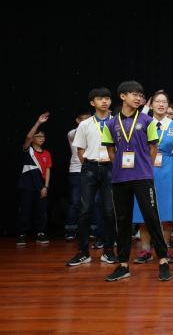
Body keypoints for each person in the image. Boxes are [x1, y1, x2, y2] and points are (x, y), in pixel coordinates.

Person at [100, 81, 171, 282]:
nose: (138, 98)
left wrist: (144, 166)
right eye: (134, 94)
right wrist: (119, 166)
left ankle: (163, 261)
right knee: (122, 220)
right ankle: (123, 265)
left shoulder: (148, 120)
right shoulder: (111, 123)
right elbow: (110, 150)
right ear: (123, 96)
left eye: (140, 95)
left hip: (143, 176)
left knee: (151, 217)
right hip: (120, 177)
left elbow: (153, 148)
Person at [65, 89, 119, 266]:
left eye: (107, 98)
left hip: (110, 167)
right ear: (92, 102)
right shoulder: (85, 124)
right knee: (85, 211)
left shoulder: (116, 121)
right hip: (90, 167)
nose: (104, 101)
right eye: (100, 98)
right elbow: (80, 149)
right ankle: (82, 252)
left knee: (109, 211)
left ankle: (108, 251)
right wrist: (88, 165)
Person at [132, 91, 173, 264]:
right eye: (157, 101)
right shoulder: (142, 123)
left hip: (168, 168)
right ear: (151, 105)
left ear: (168, 105)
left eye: (164, 102)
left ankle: (165, 248)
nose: (161, 105)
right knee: (144, 208)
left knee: (166, 210)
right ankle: (145, 250)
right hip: (145, 167)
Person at [17, 113, 52, 246]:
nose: (41, 138)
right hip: (26, 186)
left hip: (40, 187)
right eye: (38, 136)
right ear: (33, 139)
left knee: (41, 212)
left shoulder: (47, 153)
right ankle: (22, 234)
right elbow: (28, 137)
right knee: (25, 211)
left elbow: (48, 169)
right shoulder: (28, 151)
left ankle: (40, 233)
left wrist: (46, 186)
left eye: (43, 136)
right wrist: (38, 122)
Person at [65, 110, 92, 241]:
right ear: (78, 120)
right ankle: (71, 229)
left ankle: (93, 228)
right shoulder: (72, 132)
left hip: (92, 169)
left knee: (94, 201)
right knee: (75, 202)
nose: (89, 120)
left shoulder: (95, 131)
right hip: (76, 170)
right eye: (86, 118)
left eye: (91, 118)